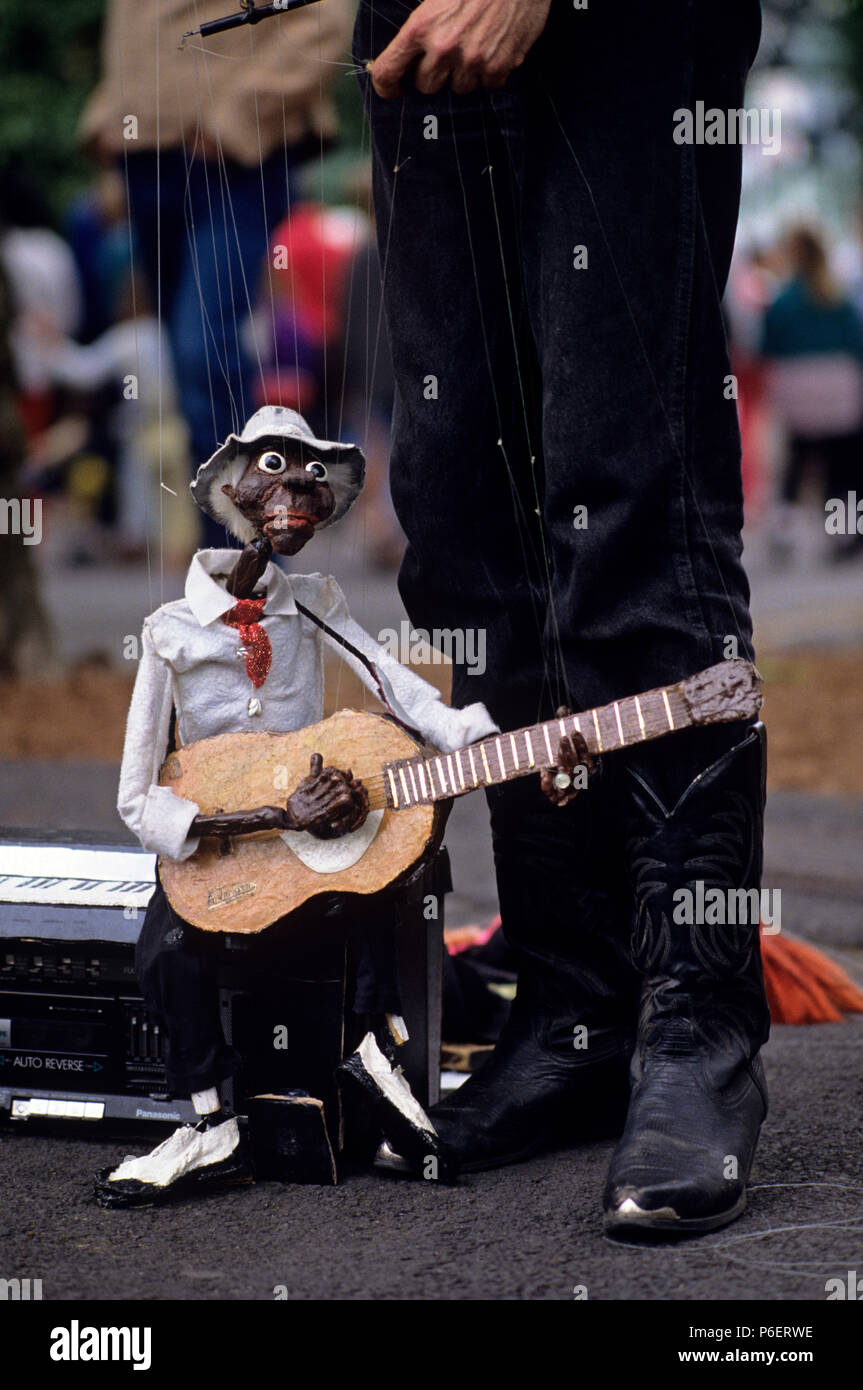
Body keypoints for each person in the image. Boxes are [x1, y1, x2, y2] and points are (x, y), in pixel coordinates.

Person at [352, 0, 770, 1236]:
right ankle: (574, 1006)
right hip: (416, 24)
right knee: (461, 515)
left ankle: (699, 1025)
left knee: (627, 490)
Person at [95, 404, 497, 1208]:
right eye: (275, 468)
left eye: (313, 472)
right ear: (231, 489)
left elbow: (387, 675)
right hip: (219, 849)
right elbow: (137, 798)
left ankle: (374, 1066)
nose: (300, 487)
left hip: (315, 834)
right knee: (167, 953)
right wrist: (266, 820)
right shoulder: (171, 631)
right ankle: (209, 1125)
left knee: (382, 883)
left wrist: (457, 730)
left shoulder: (313, 600)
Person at [79, 0, 354, 546]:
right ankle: (228, 560)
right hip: (145, 158)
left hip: (234, 157)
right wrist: (111, 119)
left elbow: (324, 17)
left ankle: (251, 563)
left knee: (203, 354)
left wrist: (237, 112)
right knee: (190, 376)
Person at [761, 224, 863, 563]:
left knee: (796, 460)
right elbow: (857, 342)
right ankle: (844, 534)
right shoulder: (839, 296)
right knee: (844, 466)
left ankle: (783, 531)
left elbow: (767, 346)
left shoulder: (783, 300)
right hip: (838, 384)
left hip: (797, 387)